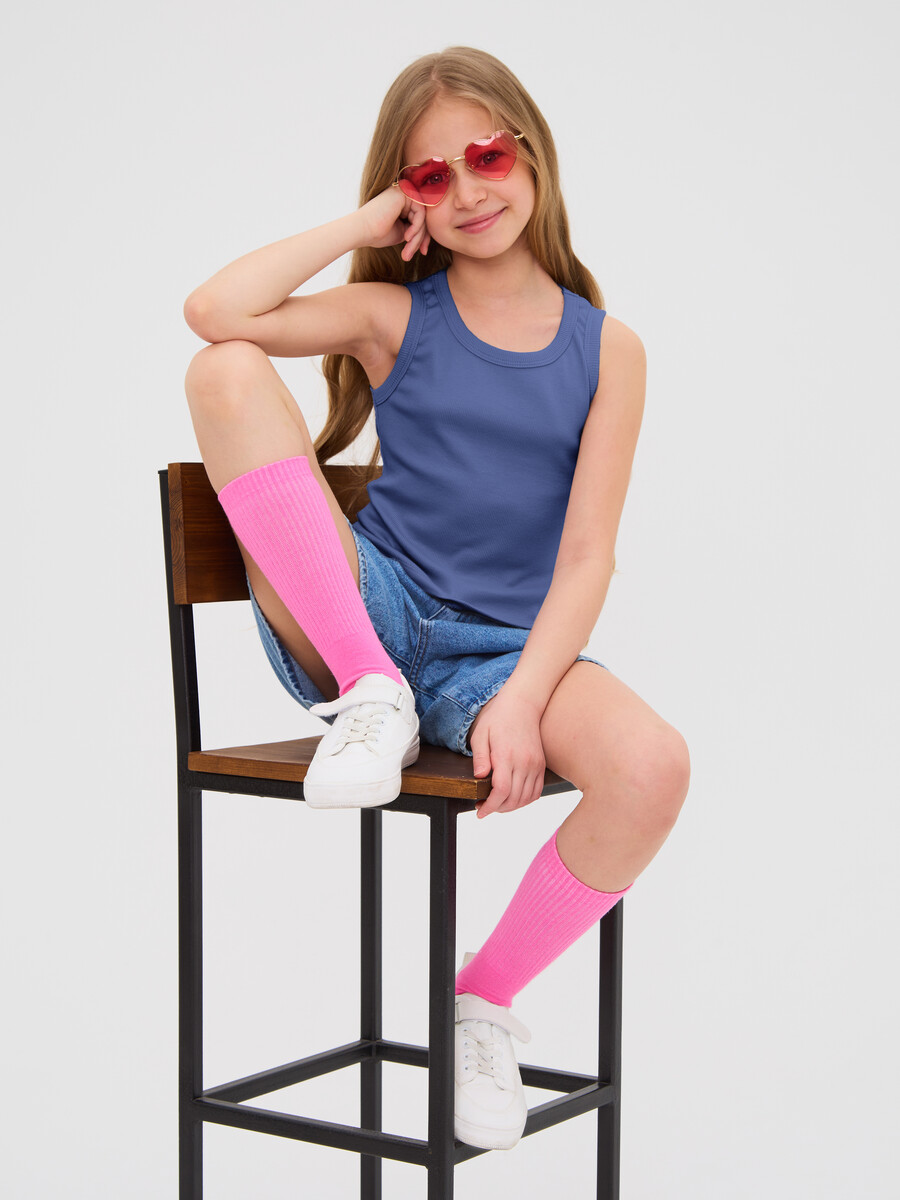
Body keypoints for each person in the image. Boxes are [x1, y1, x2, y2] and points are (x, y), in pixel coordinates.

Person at [182, 45, 690, 1153]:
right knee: (222, 369)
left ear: (532, 154)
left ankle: (482, 1000)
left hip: (500, 654)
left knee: (653, 767)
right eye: (429, 176)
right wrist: (360, 226)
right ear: (404, 197)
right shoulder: (393, 314)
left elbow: (587, 558)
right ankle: (372, 693)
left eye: (487, 157)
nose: (466, 190)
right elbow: (214, 311)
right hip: (366, 614)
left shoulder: (611, 351)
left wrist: (524, 698)